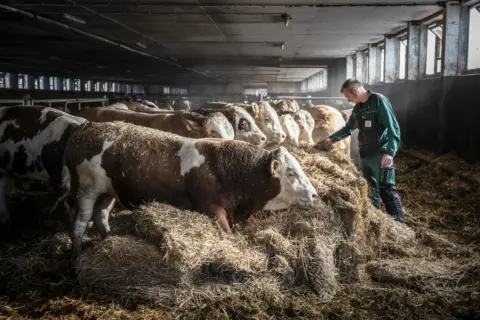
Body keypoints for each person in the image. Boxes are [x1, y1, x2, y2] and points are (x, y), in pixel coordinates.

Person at [319, 78, 405, 223]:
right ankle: (375, 219)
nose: (349, 100)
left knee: (386, 188)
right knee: (371, 189)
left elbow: (393, 127)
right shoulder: (358, 108)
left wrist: (390, 152)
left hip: (380, 154)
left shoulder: (378, 101)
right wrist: (330, 140)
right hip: (365, 154)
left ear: (355, 91)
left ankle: (398, 224)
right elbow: (348, 128)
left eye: (348, 97)